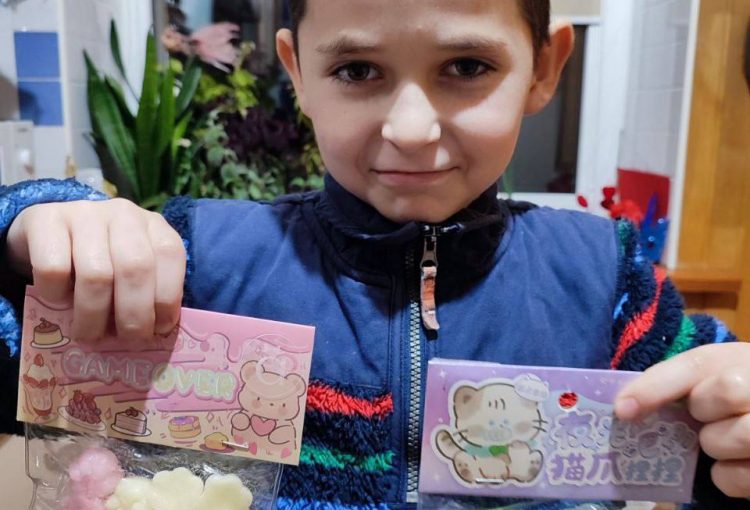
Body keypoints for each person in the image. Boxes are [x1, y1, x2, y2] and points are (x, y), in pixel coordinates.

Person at [1, 1, 749, 508]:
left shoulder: (609, 279)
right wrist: (27, 224)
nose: (412, 129)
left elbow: (711, 452)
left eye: (467, 67)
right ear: (297, 73)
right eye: (358, 71)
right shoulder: (199, 263)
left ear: (545, 68)